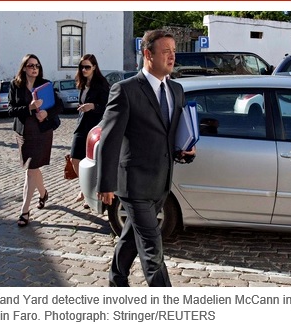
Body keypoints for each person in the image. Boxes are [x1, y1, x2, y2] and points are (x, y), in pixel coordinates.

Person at [97, 29, 196, 287]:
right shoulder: (125, 90)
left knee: (132, 236)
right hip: (134, 184)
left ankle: (117, 279)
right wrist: (106, 184)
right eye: (166, 51)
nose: (172, 57)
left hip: (162, 183)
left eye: (174, 51)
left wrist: (184, 152)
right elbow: (110, 140)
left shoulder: (176, 90)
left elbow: (171, 136)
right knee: (153, 250)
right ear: (147, 54)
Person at [8, 54, 63, 227]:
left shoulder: (45, 84)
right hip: (24, 133)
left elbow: (59, 105)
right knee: (33, 168)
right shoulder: (15, 85)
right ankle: (43, 193)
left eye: (37, 65)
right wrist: (30, 108)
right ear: (24, 67)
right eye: (31, 65)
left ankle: (25, 211)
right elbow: (11, 110)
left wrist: (47, 113)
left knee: (31, 169)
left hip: (42, 132)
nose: (34, 68)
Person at [70, 54, 110, 208]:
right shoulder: (82, 83)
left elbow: (107, 107)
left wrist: (92, 106)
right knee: (75, 158)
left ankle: (89, 195)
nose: (84, 69)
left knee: (92, 162)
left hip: (95, 127)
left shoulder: (102, 84)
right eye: (82, 67)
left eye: (87, 67)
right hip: (82, 125)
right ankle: (84, 188)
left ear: (94, 67)